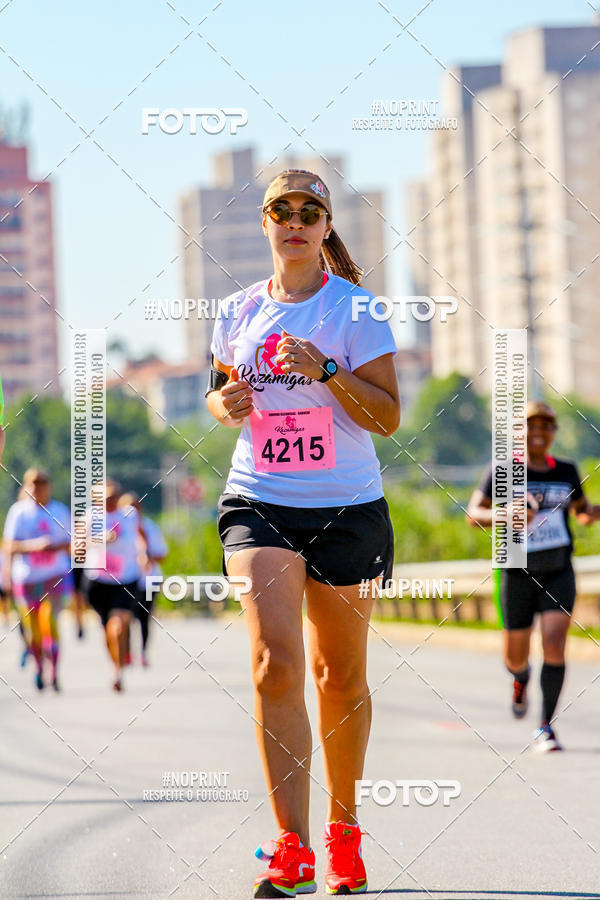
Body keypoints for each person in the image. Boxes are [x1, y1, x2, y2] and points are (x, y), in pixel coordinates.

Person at [206, 169, 400, 897]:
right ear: (264, 223)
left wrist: (326, 371)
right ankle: (290, 847)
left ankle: (343, 832)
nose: (294, 220)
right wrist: (223, 402)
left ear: (325, 226)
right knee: (273, 665)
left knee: (338, 676)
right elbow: (223, 397)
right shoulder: (234, 311)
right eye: (281, 210)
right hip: (259, 499)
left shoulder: (356, 309)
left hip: (347, 505)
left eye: (308, 210)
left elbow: (386, 418)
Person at [467, 401, 600, 752]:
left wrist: (593, 513)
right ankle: (520, 678)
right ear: (518, 432)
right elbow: (472, 513)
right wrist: (504, 514)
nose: (538, 433)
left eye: (546, 426)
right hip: (516, 571)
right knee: (515, 655)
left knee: (555, 643)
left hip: (558, 569)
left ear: (554, 432)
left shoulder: (568, 471)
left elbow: (582, 513)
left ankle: (545, 727)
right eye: (530, 426)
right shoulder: (501, 470)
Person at [2, 469, 73, 690]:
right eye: (32, 483)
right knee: (32, 630)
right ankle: (39, 666)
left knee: (49, 621)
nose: (37, 488)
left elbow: (72, 543)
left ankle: (54, 671)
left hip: (54, 575)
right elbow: (9, 545)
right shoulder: (18, 512)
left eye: (41, 483)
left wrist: (52, 546)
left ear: (48, 486)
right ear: (26, 486)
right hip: (26, 577)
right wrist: (32, 547)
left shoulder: (59, 511)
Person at [83, 478, 144, 692]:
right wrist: (101, 539)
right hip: (98, 582)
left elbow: (141, 533)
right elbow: (75, 548)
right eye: (106, 498)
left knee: (117, 625)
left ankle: (118, 672)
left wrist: (144, 552)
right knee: (107, 629)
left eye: (114, 497)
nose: (111, 501)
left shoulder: (129, 514)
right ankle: (115, 664)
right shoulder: (90, 517)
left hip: (126, 580)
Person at [119, 491, 167, 666]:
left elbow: (162, 554)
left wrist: (146, 557)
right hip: (125, 579)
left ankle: (143, 651)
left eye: (134, 508)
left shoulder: (150, 527)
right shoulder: (118, 527)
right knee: (126, 616)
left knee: (144, 616)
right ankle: (127, 652)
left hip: (149, 580)